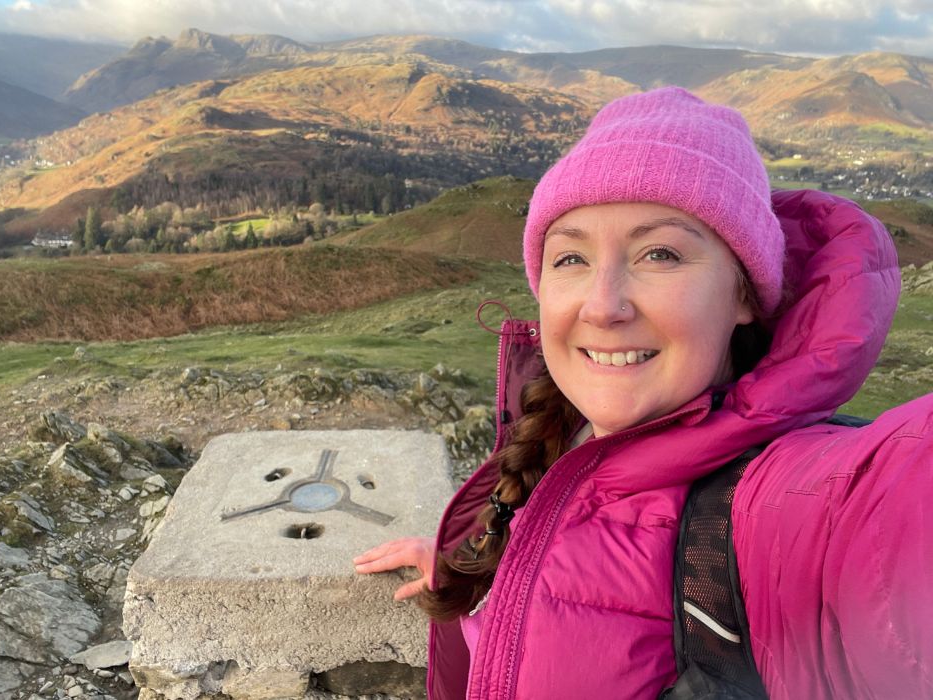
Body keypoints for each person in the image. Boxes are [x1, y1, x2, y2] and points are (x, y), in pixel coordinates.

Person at [354, 87, 933, 699]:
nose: (603, 306)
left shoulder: (783, 503)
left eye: (660, 253)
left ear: (743, 295)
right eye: (571, 257)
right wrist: (484, 573)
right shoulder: (565, 444)